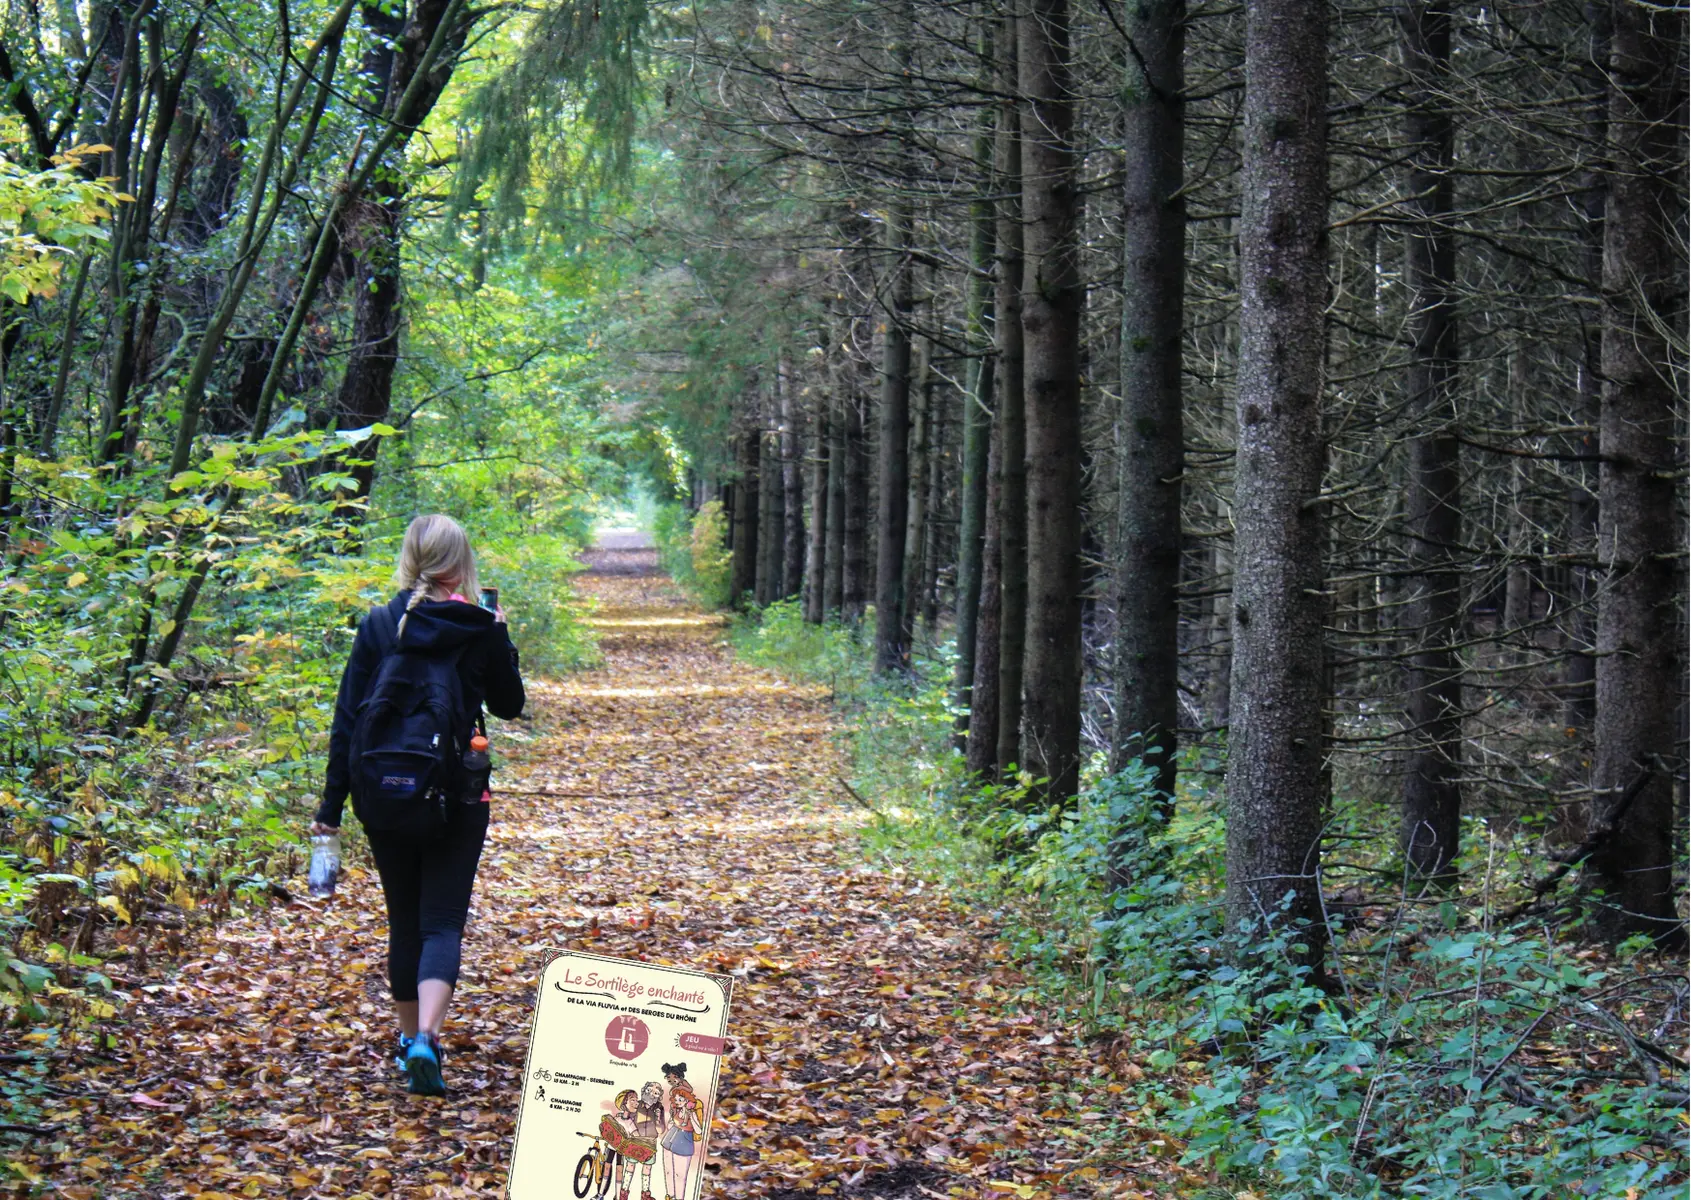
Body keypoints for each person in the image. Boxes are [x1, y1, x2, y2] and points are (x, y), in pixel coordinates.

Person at [312, 514, 524, 1096]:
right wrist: (499, 635)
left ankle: (409, 1044)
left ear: (410, 558)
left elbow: (348, 719)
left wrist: (332, 804)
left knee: (403, 919)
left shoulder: (380, 624)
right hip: (459, 792)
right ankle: (430, 1035)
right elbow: (509, 705)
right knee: (441, 921)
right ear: (461, 562)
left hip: (384, 795)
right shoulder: (476, 624)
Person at [660, 1062, 703, 1200]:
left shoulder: (692, 1112)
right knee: (668, 1171)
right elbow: (670, 1124)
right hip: (670, 1138)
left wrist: (691, 1115)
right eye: (676, 1099)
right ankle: (670, 1196)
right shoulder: (676, 1110)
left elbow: (698, 1130)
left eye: (681, 1099)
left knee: (680, 1175)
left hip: (684, 1141)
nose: (678, 1101)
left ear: (687, 1100)